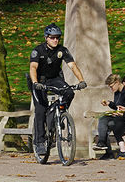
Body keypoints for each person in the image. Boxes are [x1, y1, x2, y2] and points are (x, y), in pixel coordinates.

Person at [29, 23, 87, 155]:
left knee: (69, 92)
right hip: (39, 80)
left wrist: (81, 81)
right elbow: (33, 68)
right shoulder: (38, 51)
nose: (55, 40)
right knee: (40, 109)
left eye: (57, 38)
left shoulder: (62, 50)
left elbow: (72, 66)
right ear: (46, 38)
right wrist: (35, 82)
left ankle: (58, 111)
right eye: (52, 38)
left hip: (54, 78)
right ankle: (39, 142)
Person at [93, 74, 125, 159]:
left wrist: (121, 111)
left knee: (109, 124)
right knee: (103, 118)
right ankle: (101, 143)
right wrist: (109, 103)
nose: (111, 89)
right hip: (118, 116)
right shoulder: (117, 93)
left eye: (111, 86)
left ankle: (109, 151)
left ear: (117, 82)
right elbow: (117, 106)